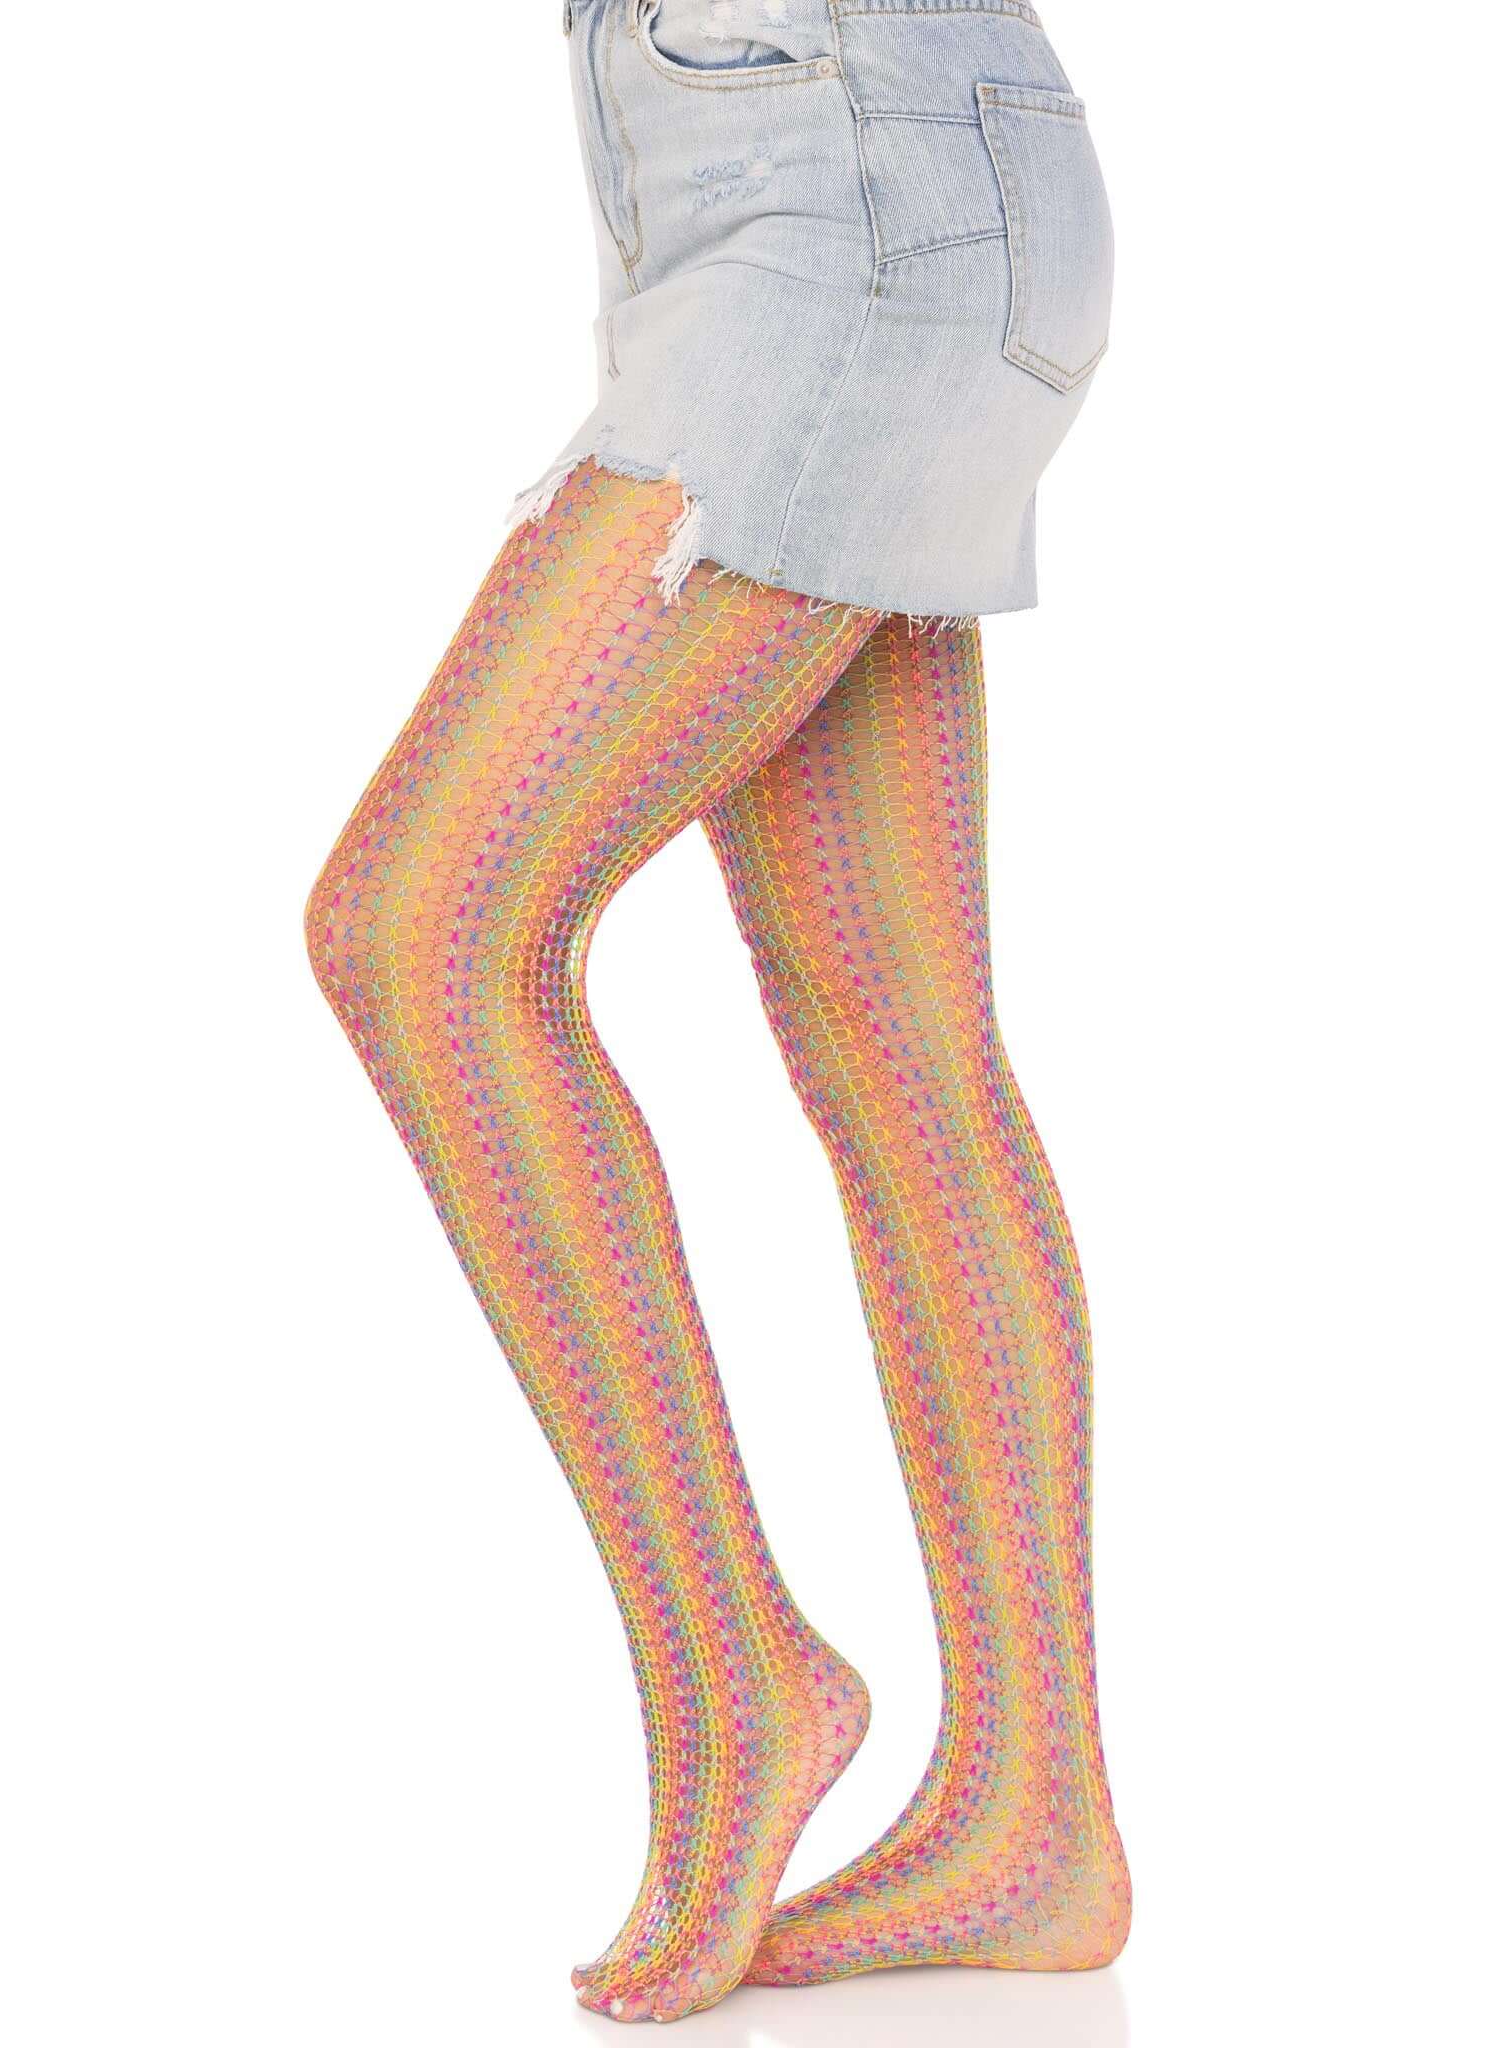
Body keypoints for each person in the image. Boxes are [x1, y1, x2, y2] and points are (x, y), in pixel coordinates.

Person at [305, 0, 1128, 2024]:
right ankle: (1035, 1814)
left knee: (424, 929)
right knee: (895, 1041)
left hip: (846, 187)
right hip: (818, 170)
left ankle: (735, 1674)